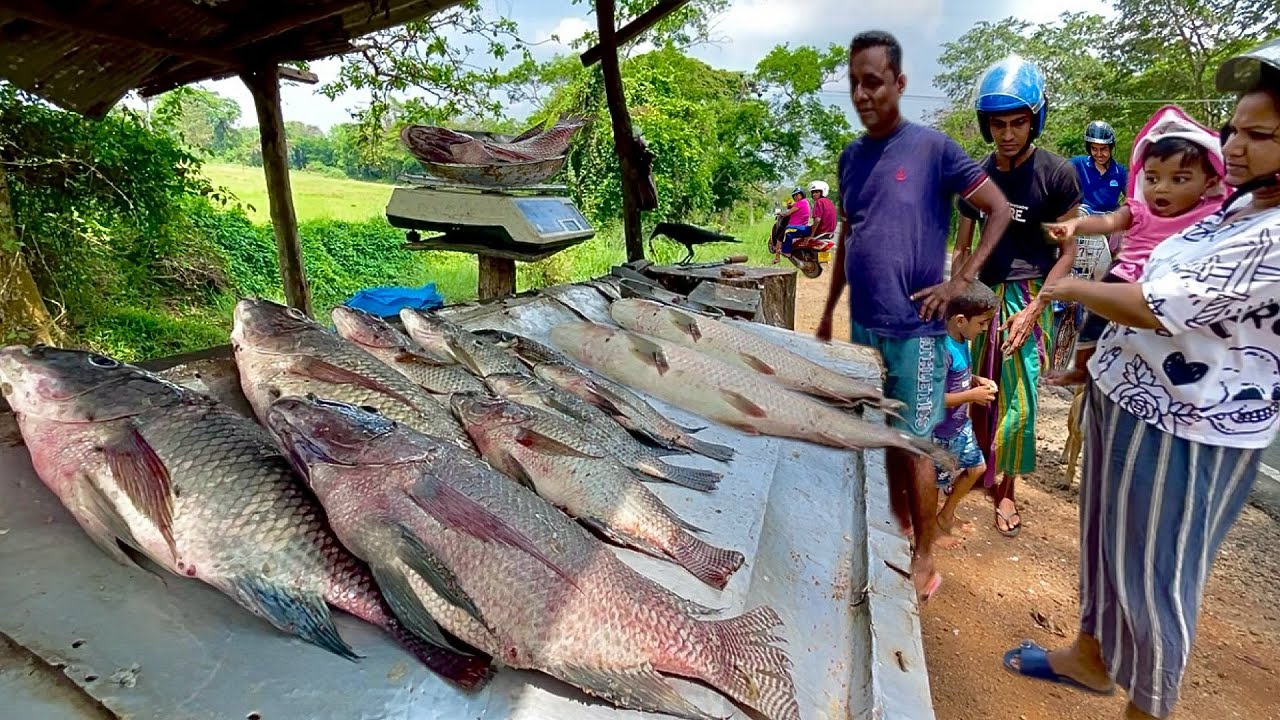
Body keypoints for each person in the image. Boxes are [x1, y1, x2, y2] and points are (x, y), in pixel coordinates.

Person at [1004, 36, 1280, 720]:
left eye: (1261, 134)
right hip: (1131, 399)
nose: (1237, 146)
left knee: (1159, 579)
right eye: (1234, 130)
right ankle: (1092, 657)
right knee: (1102, 544)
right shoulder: (1236, 204)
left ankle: (1149, 706)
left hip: (1190, 426)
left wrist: (1068, 291)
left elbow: (1161, 306)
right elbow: (1142, 234)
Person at [816, 30, 1012, 601]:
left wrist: (959, 281)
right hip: (864, 326)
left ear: (899, 84)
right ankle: (886, 526)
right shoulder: (851, 158)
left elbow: (996, 209)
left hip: (917, 331)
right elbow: (850, 237)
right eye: (854, 83)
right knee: (870, 431)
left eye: (874, 81)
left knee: (915, 442)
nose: (863, 94)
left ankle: (924, 551)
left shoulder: (935, 149)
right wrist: (830, 310)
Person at [953, 54, 1082, 537]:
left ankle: (1006, 489)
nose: (1008, 133)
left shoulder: (1057, 174)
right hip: (984, 293)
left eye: (1018, 122)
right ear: (987, 126)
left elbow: (1068, 252)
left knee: (1020, 394)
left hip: (1032, 291)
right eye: (998, 124)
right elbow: (963, 246)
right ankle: (973, 469)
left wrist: (1036, 307)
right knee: (977, 388)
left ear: (1034, 120)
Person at [1045, 105, 1227, 386]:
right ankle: (1081, 366)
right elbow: (1108, 221)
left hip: (1174, 280)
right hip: (1125, 267)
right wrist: (1073, 225)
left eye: (1178, 179)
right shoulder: (1135, 207)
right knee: (1096, 312)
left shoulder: (1208, 212)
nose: (1162, 188)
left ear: (1210, 182)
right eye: (1153, 179)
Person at [932, 281, 999, 546]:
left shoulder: (961, 340)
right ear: (961, 320)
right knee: (934, 486)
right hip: (940, 434)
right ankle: (928, 530)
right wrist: (971, 396)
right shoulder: (942, 350)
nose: (985, 329)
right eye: (982, 323)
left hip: (960, 426)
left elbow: (956, 376)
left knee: (977, 468)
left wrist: (975, 380)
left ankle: (945, 516)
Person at [1072, 120, 1128, 215]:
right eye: (1094, 149)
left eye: (1103, 149)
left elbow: (1134, 197)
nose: (1099, 154)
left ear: (1111, 148)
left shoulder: (1120, 171)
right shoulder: (1079, 163)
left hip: (1110, 222)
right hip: (1083, 219)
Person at [772, 187, 810, 264]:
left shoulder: (800, 203)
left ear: (802, 195)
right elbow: (792, 208)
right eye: (794, 195)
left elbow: (787, 214)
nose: (796, 196)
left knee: (780, 237)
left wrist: (779, 213)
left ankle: (781, 255)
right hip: (802, 225)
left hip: (796, 226)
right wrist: (789, 206)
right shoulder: (804, 202)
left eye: (798, 195)